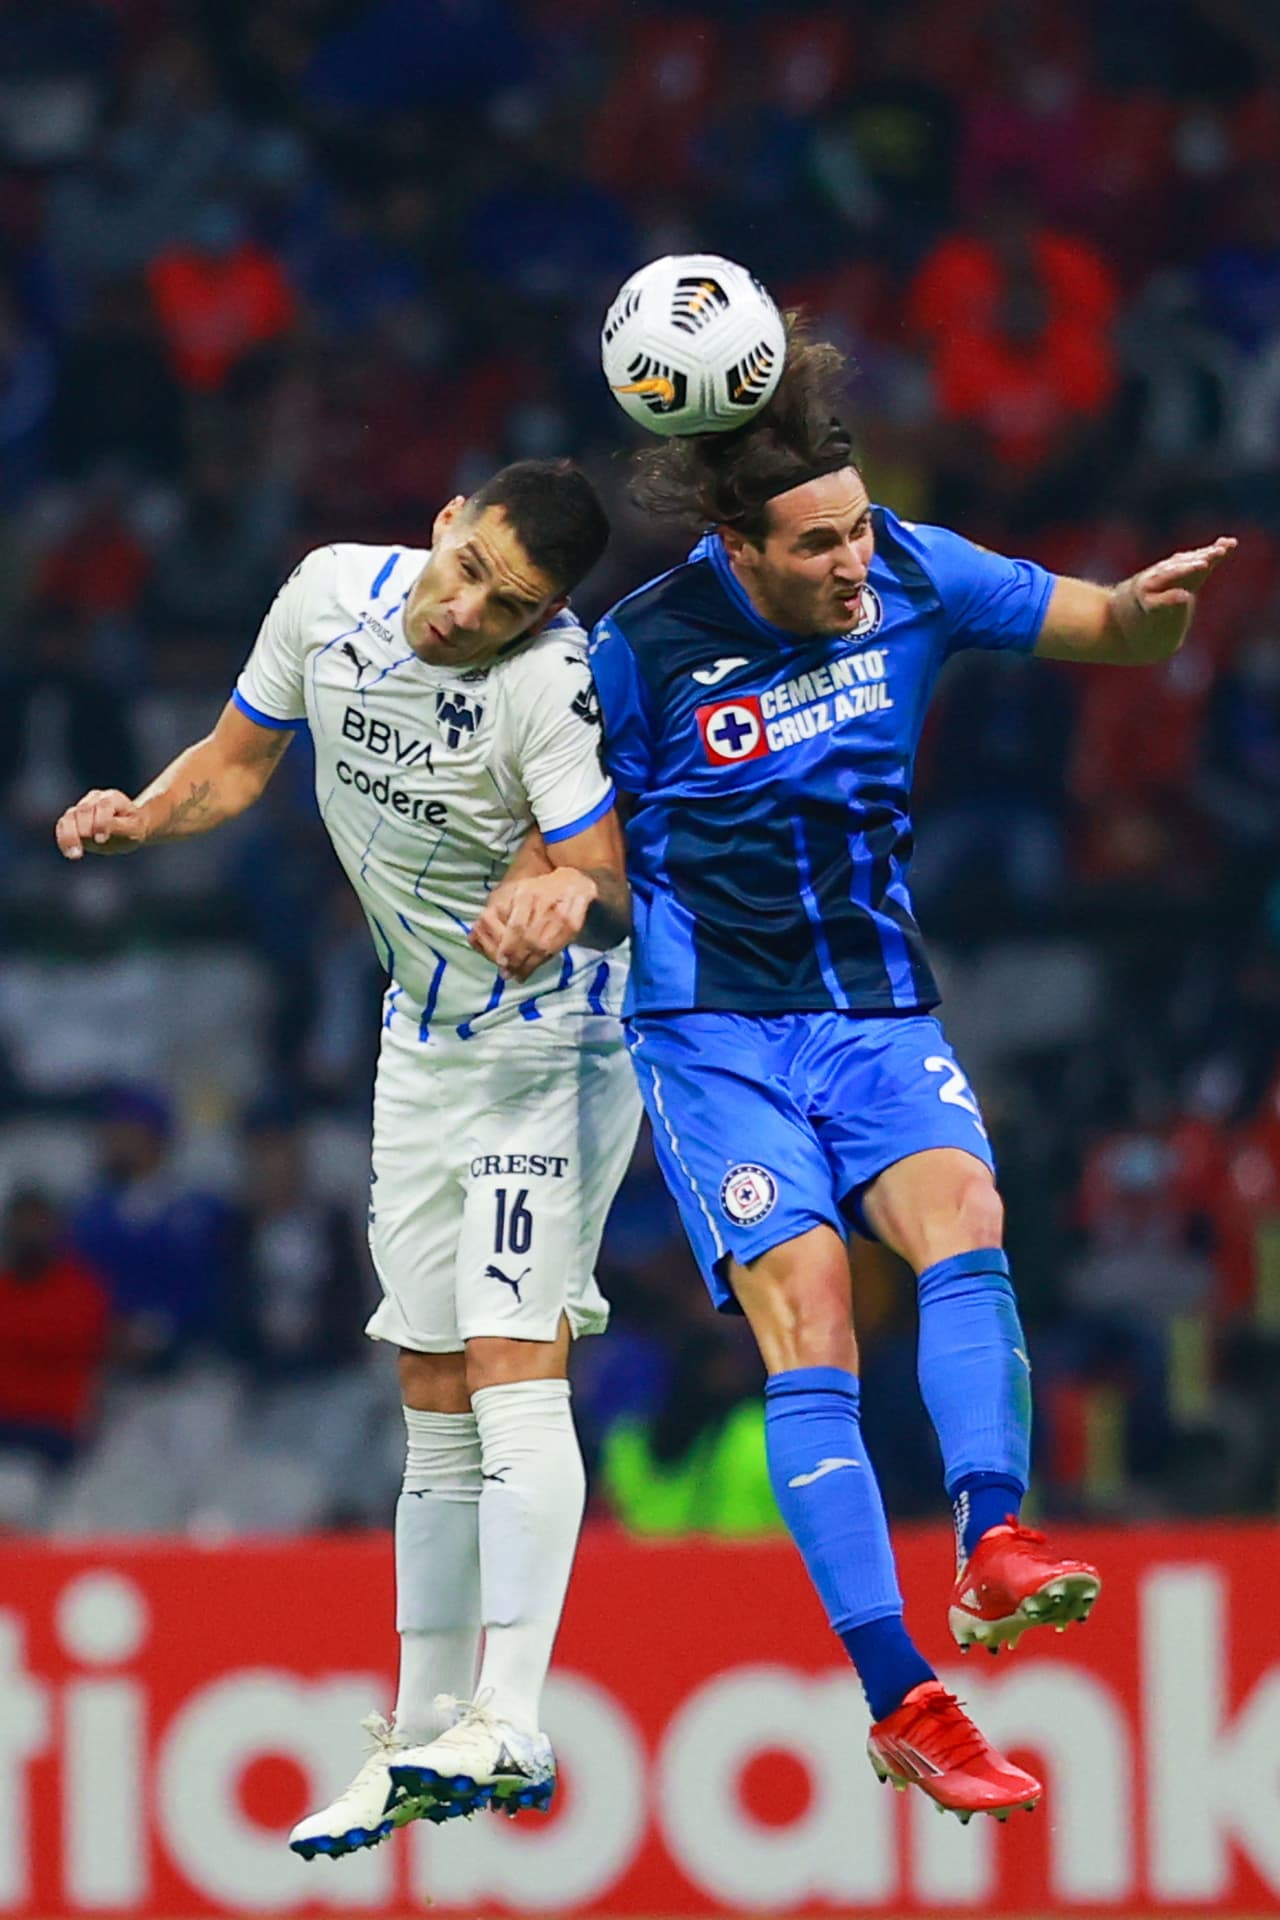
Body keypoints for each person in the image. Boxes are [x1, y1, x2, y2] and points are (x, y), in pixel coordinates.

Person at [577, 322, 1235, 1823]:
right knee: (811, 1323)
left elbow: (1104, 630)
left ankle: (995, 1546)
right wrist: (574, 886)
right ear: (738, 548)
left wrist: (1148, 616)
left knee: (969, 1223)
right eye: (818, 546)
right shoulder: (643, 649)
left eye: (860, 529)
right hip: (714, 1030)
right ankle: (905, 1701)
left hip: (877, 1008)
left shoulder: (920, 569)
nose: (853, 563)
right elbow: (583, 829)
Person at [55, 458, 641, 1851]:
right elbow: (237, 764)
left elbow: (605, 880)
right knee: (431, 1387)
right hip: (421, 1042)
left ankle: (513, 1710)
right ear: (443, 526)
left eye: (509, 604)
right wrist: (145, 810)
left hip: (547, 1042)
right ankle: (424, 1730)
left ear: (546, 612)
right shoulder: (327, 597)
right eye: (468, 571)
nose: (467, 612)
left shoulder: (550, 683)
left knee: (512, 1352)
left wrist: (563, 892)